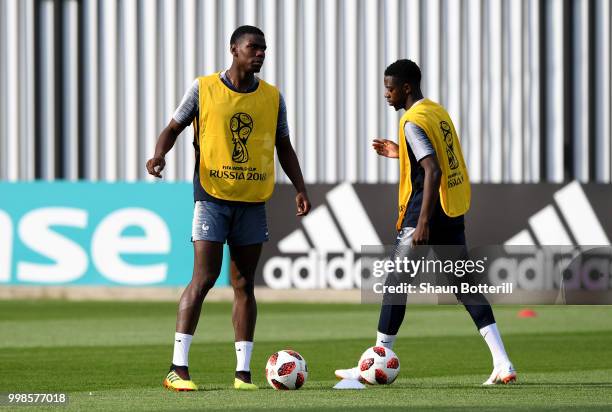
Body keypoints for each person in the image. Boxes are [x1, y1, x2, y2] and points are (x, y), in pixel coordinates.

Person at [146, 25, 311, 392]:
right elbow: (173, 127)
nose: (260, 54)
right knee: (203, 279)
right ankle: (178, 368)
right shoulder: (203, 88)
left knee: (243, 285)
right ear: (233, 49)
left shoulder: (272, 97)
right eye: (253, 47)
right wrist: (159, 155)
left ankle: (243, 374)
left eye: (264, 49)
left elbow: (284, 146)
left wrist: (300, 187)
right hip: (212, 199)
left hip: (252, 202)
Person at [334, 59, 516, 385]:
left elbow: (433, 170)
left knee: (395, 286)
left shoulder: (411, 121)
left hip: (424, 215)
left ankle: (373, 365)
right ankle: (502, 362)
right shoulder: (435, 111)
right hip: (450, 210)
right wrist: (400, 153)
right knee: (465, 286)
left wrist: (421, 223)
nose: (386, 95)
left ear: (405, 88)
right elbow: (436, 158)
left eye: (389, 89)